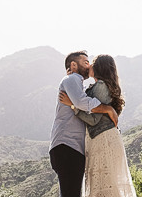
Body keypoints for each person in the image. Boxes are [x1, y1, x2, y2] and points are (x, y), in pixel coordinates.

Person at [59, 54, 136, 197]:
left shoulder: (101, 86)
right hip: (98, 138)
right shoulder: (98, 86)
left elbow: (93, 119)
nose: (89, 66)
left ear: (99, 67)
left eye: (91, 63)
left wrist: (73, 105)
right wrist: (73, 80)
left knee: (104, 186)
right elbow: (85, 101)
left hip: (103, 139)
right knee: (103, 185)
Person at [50, 51, 119, 197]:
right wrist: (107, 109)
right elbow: (82, 103)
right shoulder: (72, 79)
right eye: (85, 62)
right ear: (73, 65)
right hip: (67, 145)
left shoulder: (76, 82)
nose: (88, 66)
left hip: (71, 147)